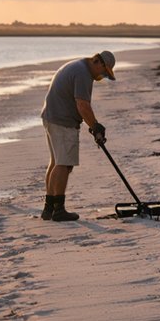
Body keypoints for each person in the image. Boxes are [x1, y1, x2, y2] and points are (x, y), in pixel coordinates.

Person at [40, 50, 116, 221]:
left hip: (52, 117)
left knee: (56, 162)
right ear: (98, 62)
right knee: (64, 164)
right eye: (104, 72)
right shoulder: (83, 73)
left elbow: (81, 105)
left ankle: (49, 208)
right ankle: (58, 210)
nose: (102, 76)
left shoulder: (78, 66)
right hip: (62, 121)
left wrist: (93, 126)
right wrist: (95, 126)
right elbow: (82, 105)